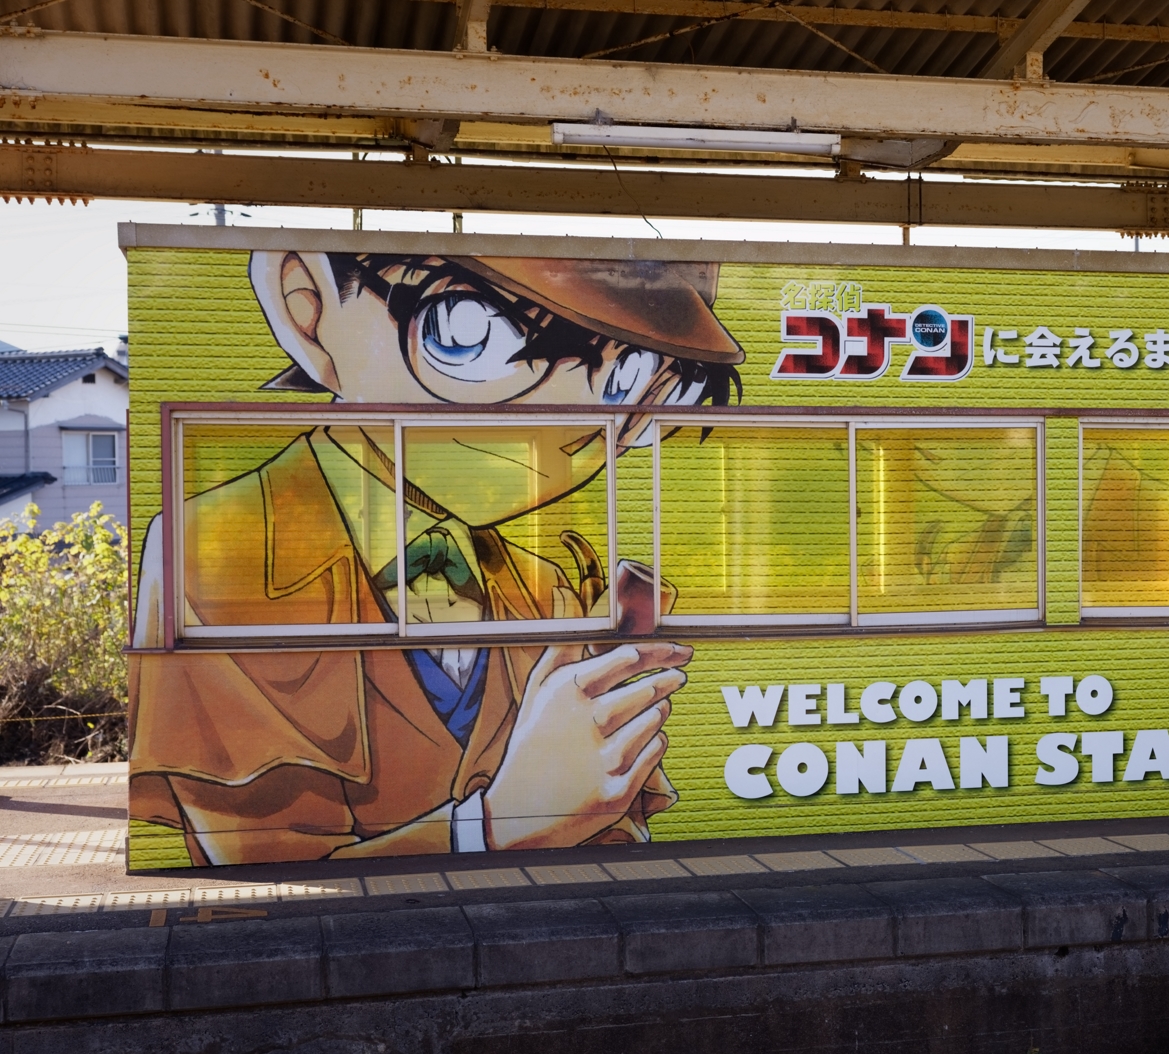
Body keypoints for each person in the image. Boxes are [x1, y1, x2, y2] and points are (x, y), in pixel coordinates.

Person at [128, 250, 744, 865]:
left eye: (628, 381)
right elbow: (266, 867)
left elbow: (616, 814)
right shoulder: (211, 552)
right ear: (309, 308)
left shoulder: (547, 586)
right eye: (469, 331)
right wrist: (493, 825)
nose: (573, 423)